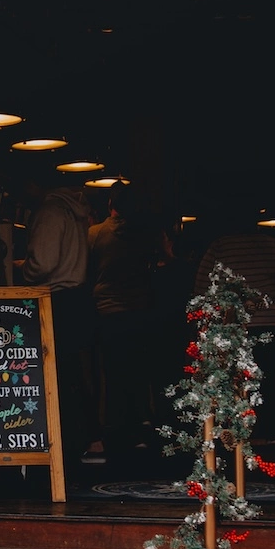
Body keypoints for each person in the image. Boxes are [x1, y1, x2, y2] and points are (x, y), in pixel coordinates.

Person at [194, 212, 275, 436]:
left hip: (231, 322)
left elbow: (201, 287)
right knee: (266, 376)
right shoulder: (272, 245)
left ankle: (241, 433)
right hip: (269, 319)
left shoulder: (219, 247)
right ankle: (269, 430)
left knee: (234, 380)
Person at [18, 174, 101, 464]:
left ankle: (66, 442)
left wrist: (20, 273)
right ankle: (87, 439)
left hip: (55, 299)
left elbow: (43, 262)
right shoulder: (74, 211)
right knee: (79, 374)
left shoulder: (50, 211)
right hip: (77, 297)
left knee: (60, 375)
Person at [90, 191, 166, 459]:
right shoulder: (145, 232)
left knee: (112, 374)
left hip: (109, 310)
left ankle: (115, 432)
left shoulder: (96, 233)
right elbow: (164, 260)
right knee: (139, 372)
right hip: (141, 309)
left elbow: (86, 269)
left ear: (110, 205)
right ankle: (142, 427)